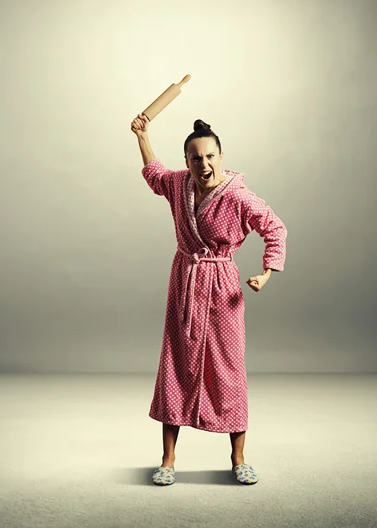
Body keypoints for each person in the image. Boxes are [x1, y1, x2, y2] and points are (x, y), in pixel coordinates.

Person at [130, 113, 287, 486]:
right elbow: (154, 174)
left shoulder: (237, 196)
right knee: (175, 365)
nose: (204, 164)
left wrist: (267, 272)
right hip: (185, 281)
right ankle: (167, 460)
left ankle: (239, 458)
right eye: (196, 158)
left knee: (228, 368)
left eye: (211, 156)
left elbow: (274, 227)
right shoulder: (178, 184)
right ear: (186, 161)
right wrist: (142, 134)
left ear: (221, 156)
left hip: (222, 286)